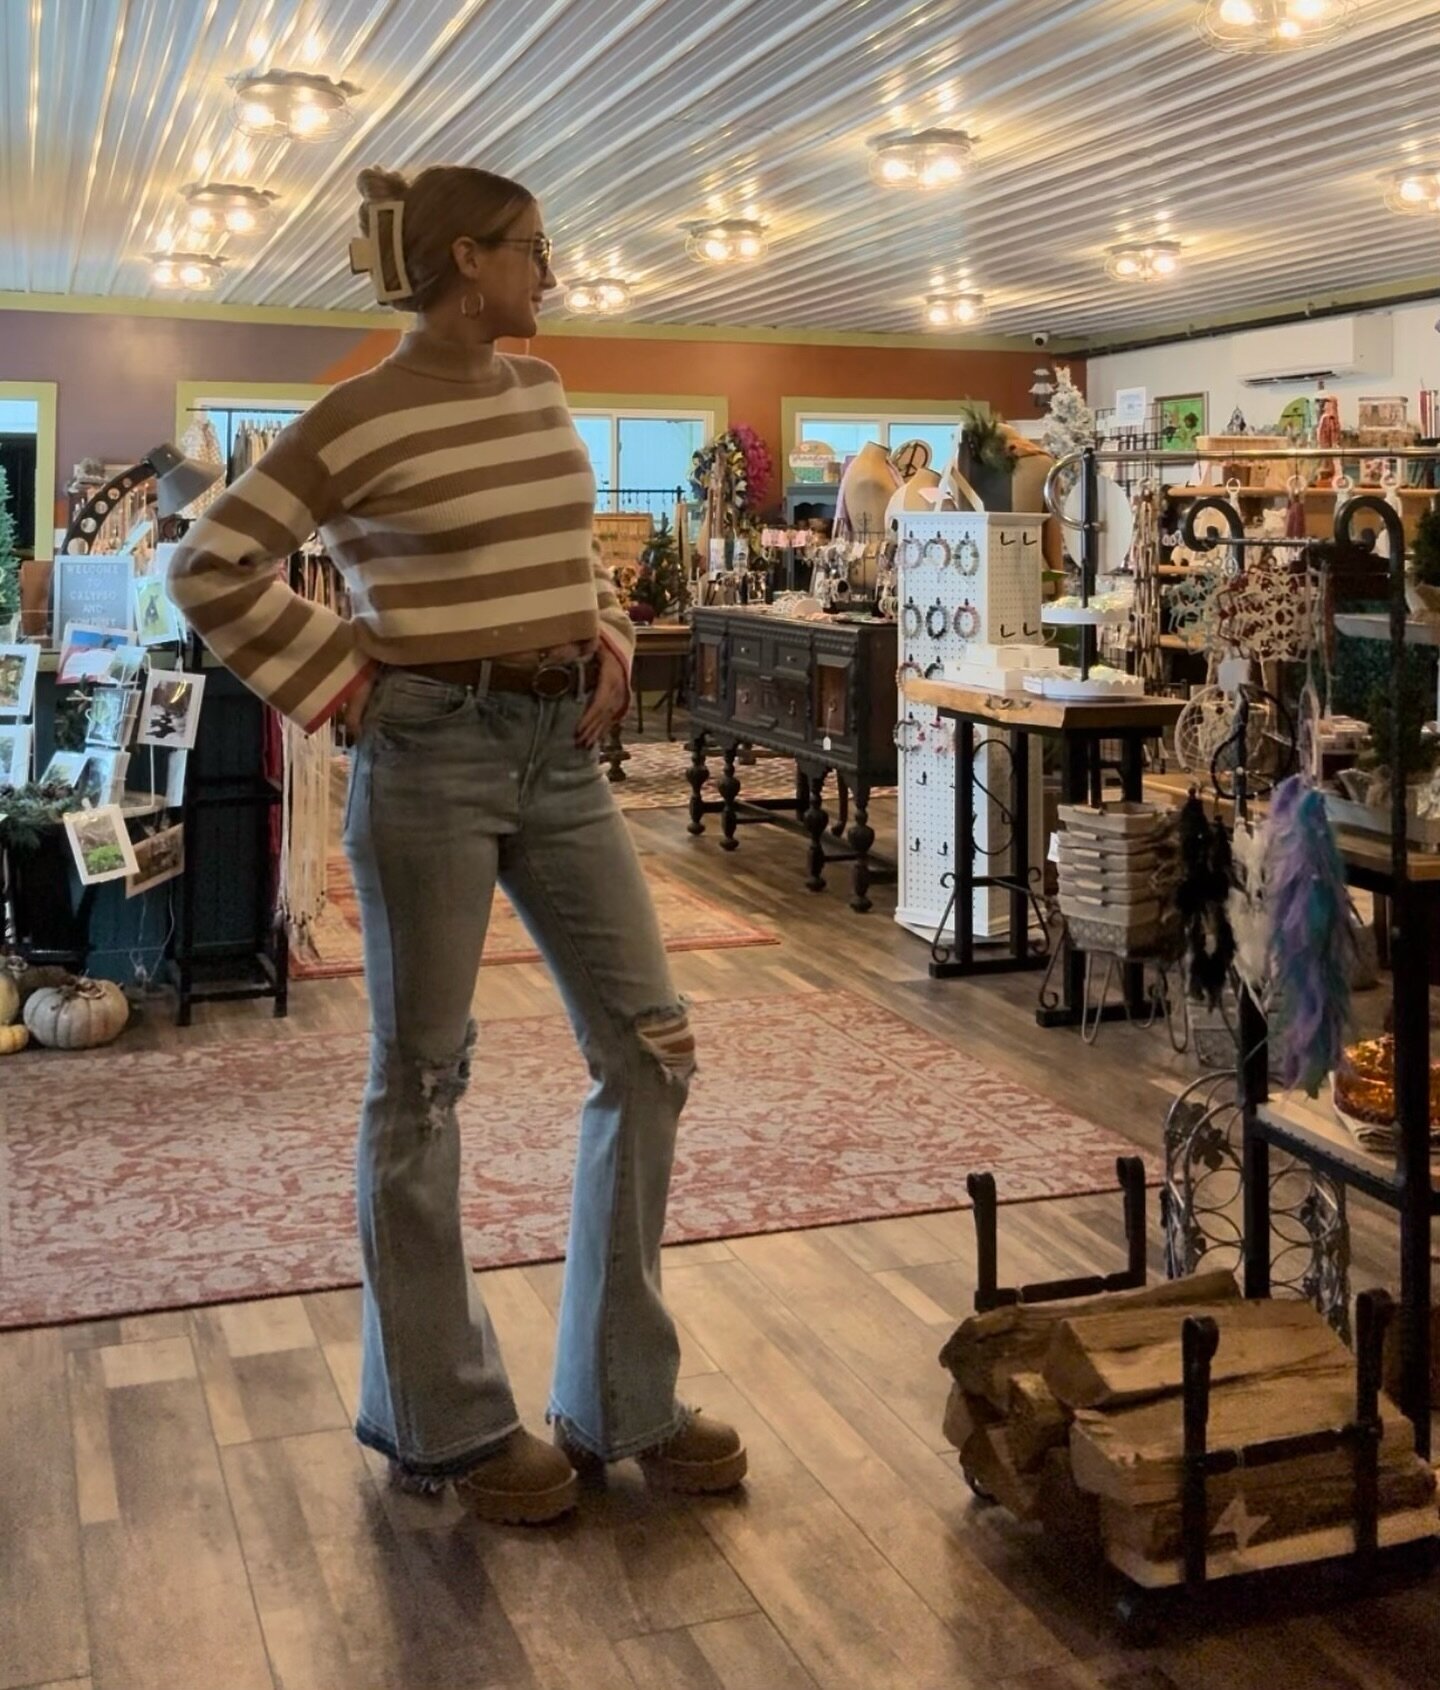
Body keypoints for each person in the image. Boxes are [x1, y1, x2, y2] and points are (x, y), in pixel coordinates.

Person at [168, 163, 745, 1523]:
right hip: (427, 754)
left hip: (561, 758)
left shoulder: (542, 393)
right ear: (467, 260)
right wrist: (343, 678)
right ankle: (441, 1418)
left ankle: (619, 1394)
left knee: (651, 1042)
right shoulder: (355, 415)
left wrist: (601, 627)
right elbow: (204, 561)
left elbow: (566, 548)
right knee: (420, 1083)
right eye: (536, 250)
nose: (552, 273)